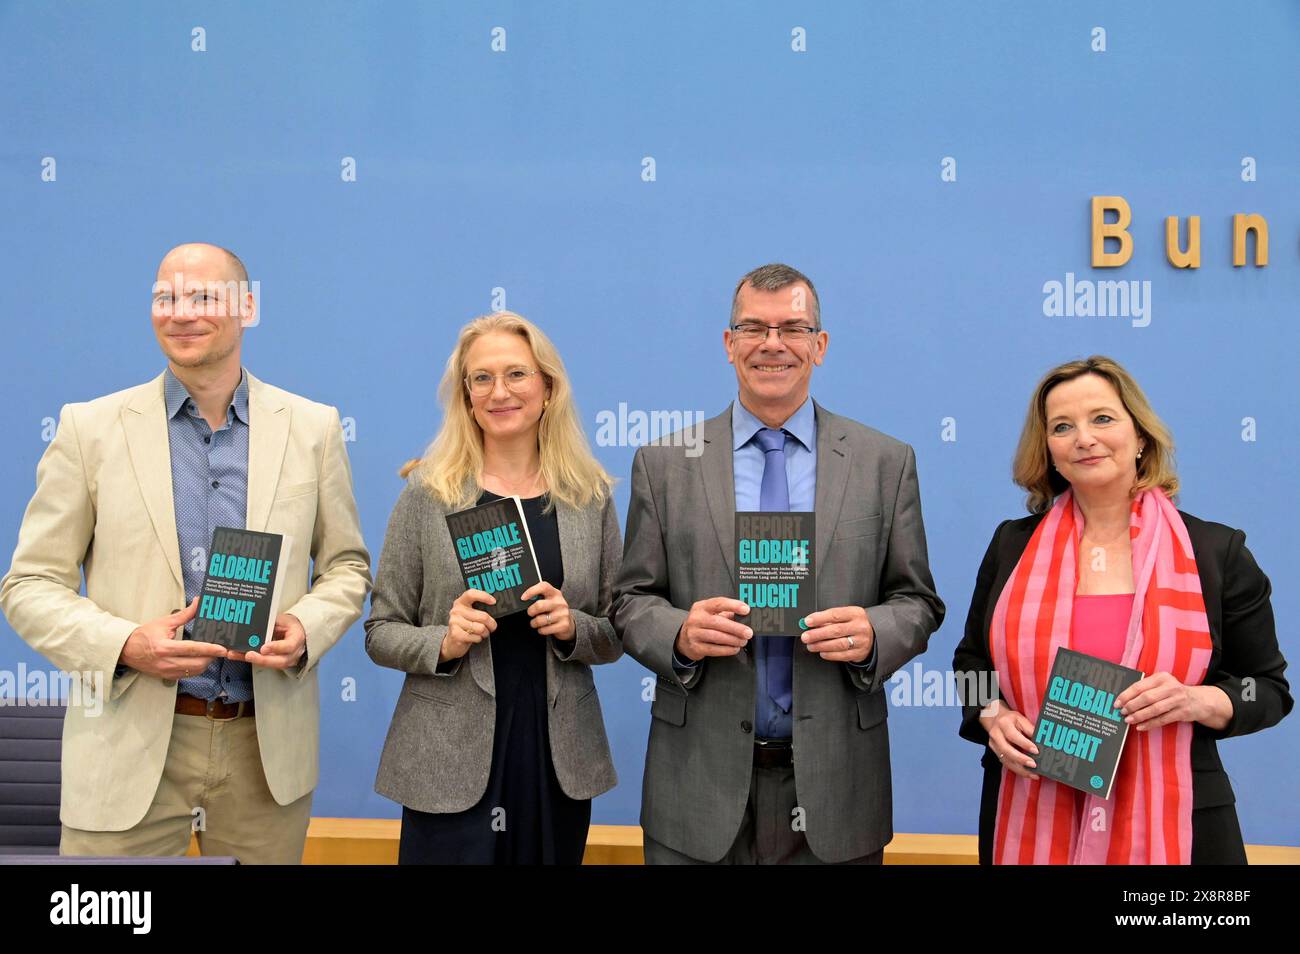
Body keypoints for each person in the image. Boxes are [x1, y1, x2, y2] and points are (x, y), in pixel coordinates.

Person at [0, 242, 372, 862]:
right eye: (165, 297)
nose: (180, 312)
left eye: (204, 296)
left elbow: (347, 567)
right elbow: (29, 584)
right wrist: (125, 645)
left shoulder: (313, 428)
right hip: (129, 746)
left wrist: (305, 628)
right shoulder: (89, 429)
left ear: (247, 307)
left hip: (264, 751)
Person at [613, 263, 944, 864]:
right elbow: (630, 600)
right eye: (753, 328)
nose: (772, 344)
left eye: (792, 328)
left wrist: (874, 633)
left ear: (819, 346)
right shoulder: (664, 464)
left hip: (838, 783)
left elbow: (917, 601)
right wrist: (680, 633)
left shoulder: (884, 462)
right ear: (728, 343)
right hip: (698, 788)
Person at [953, 355, 1292, 865]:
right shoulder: (1011, 546)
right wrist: (991, 713)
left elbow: (1265, 688)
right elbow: (971, 664)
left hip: (1182, 826)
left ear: (1140, 438)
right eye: (1062, 426)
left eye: (1102, 418)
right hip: (1030, 809)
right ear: (1048, 450)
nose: (1083, 438)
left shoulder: (1215, 552)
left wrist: (1196, 701)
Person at [365, 311, 622, 864]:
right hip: (447, 754)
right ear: (466, 394)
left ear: (548, 388)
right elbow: (380, 630)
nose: (499, 391)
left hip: (555, 754)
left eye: (517, 375)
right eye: (481, 378)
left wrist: (573, 627)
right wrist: (443, 641)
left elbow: (617, 630)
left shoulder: (590, 496)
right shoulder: (426, 493)